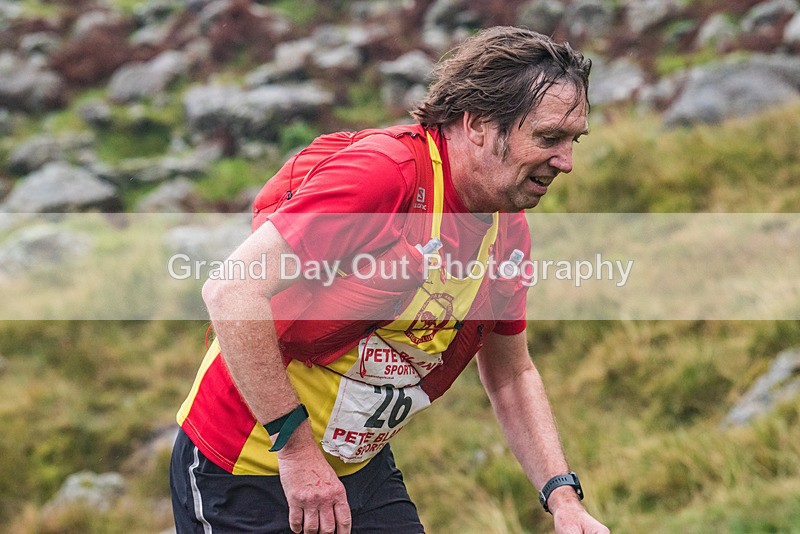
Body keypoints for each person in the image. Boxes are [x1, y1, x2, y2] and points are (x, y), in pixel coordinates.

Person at [170, 26, 609, 534]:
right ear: (479, 125)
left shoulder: (507, 230)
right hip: (245, 466)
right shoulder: (384, 176)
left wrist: (564, 499)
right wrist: (297, 452)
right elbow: (231, 290)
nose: (567, 162)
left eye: (573, 140)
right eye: (548, 138)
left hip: (358, 472)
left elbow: (511, 375)